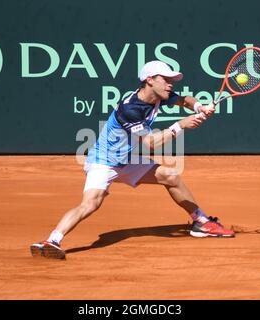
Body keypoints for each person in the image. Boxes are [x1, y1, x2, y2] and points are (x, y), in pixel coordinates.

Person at [30, 61, 235, 259]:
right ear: (149, 80)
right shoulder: (130, 109)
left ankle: (201, 222)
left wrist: (200, 107)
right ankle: (51, 241)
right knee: (91, 203)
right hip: (104, 161)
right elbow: (151, 143)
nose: (170, 83)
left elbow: (184, 100)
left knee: (170, 176)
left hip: (127, 160)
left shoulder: (159, 96)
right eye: (165, 79)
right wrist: (180, 125)